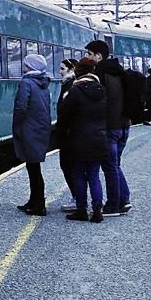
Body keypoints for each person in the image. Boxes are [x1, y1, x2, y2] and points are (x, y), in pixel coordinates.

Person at [55, 56, 111, 221]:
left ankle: (81, 209)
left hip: (78, 138)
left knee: (79, 174)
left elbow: (64, 114)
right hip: (99, 138)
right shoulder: (101, 90)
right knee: (94, 174)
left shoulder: (76, 90)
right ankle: (97, 210)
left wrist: (60, 134)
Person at [85, 40, 133, 214]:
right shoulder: (119, 72)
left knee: (110, 166)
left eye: (89, 54)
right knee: (115, 164)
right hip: (124, 125)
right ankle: (124, 199)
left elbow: (97, 102)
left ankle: (113, 204)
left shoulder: (100, 75)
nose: (87, 57)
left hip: (110, 126)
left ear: (99, 56)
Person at [13, 53, 52, 216]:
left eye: (25, 64)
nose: (23, 66)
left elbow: (21, 106)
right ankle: (34, 200)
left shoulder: (26, 82)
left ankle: (39, 205)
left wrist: (17, 124)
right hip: (41, 127)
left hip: (29, 128)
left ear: (30, 66)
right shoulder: (43, 83)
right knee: (33, 166)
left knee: (33, 168)